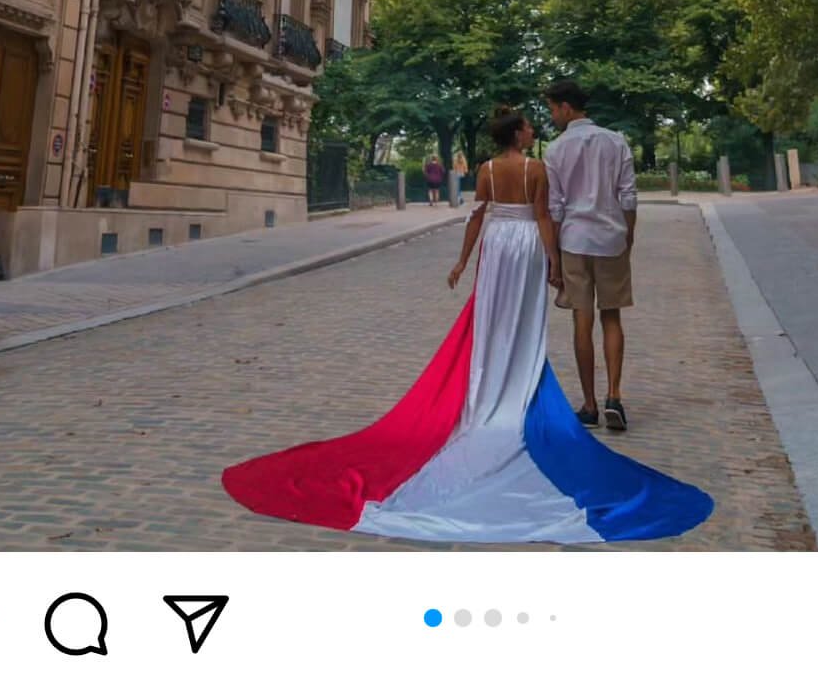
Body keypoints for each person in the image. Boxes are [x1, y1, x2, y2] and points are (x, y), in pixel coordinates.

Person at [221, 106, 712, 544]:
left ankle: (492, 373)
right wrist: (554, 261)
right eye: (526, 125)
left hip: (498, 243)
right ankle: (517, 373)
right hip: (523, 243)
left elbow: (477, 216)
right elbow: (544, 217)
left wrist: (462, 262)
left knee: (492, 312)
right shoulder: (536, 167)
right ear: (518, 135)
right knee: (522, 316)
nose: (531, 128)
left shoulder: (486, 170)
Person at [545, 77, 636, 432]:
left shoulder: (555, 150)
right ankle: (614, 395)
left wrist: (552, 255)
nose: (552, 115)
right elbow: (628, 195)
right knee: (611, 317)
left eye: (553, 108)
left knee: (581, 320)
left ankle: (589, 404)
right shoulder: (616, 141)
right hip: (611, 237)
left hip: (574, 240)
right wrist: (629, 233)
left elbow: (555, 207)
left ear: (566, 107)